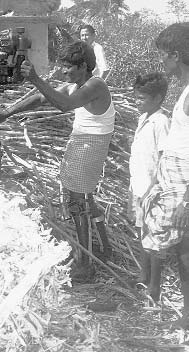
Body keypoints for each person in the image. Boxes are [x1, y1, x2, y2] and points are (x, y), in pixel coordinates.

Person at [0, 40, 115, 281]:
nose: (63, 72)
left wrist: (36, 79)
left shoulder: (95, 85)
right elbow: (42, 99)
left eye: (68, 68)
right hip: (83, 144)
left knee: (77, 201)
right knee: (86, 200)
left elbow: (63, 105)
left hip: (89, 147)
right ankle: (104, 249)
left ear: (83, 66)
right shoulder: (78, 85)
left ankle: (86, 263)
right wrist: (8, 112)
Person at [142, 22, 189, 328]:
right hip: (175, 183)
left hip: (183, 187)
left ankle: (188, 318)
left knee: (186, 254)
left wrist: (187, 200)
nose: (161, 61)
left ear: (175, 54)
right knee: (182, 252)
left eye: (163, 55)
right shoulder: (184, 91)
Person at [127, 73, 170, 301]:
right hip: (140, 186)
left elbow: (164, 158)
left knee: (155, 239)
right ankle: (143, 275)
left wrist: (154, 187)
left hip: (153, 191)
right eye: (136, 97)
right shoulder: (144, 118)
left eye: (141, 98)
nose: (137, 101)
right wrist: (133, 189)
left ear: (158, 98)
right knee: (142, 233)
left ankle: (155, 286)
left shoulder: (161, 122)